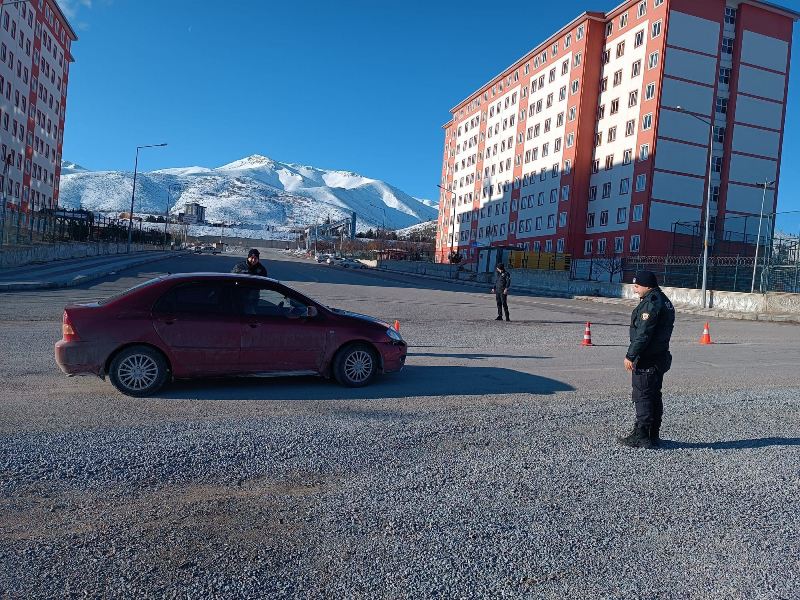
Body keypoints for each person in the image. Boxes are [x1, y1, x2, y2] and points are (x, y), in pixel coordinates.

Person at [618, 270, 675, 449]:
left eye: (637, 286)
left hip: (648, 358)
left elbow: (643, 334)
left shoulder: (651, 304)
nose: (635, 290)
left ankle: (642, 436)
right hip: (659, 356)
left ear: (647, 286)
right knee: (653, 395)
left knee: (643, 395)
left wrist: (631, 355)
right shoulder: (663, 300)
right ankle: (652, 434)